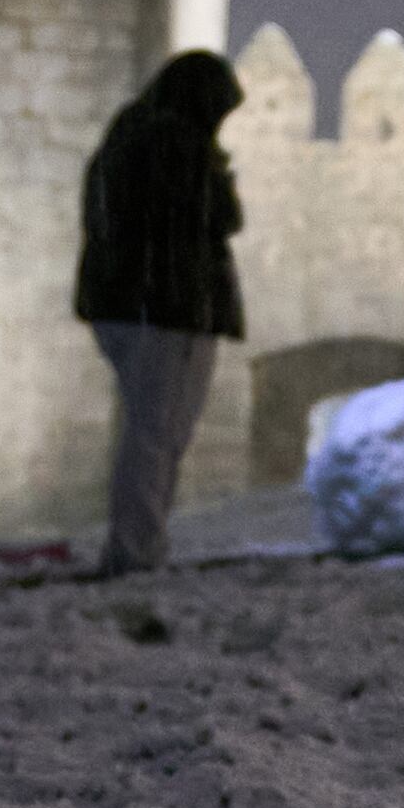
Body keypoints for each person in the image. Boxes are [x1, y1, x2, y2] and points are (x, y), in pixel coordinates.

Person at [74, 48, 246, 576]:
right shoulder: (175, 143)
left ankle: (139, 544)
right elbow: (217, 216)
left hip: (129, 307)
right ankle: (135, 549)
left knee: (152, 430)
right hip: (167, 310)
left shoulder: (127, 138)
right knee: (157, 433)